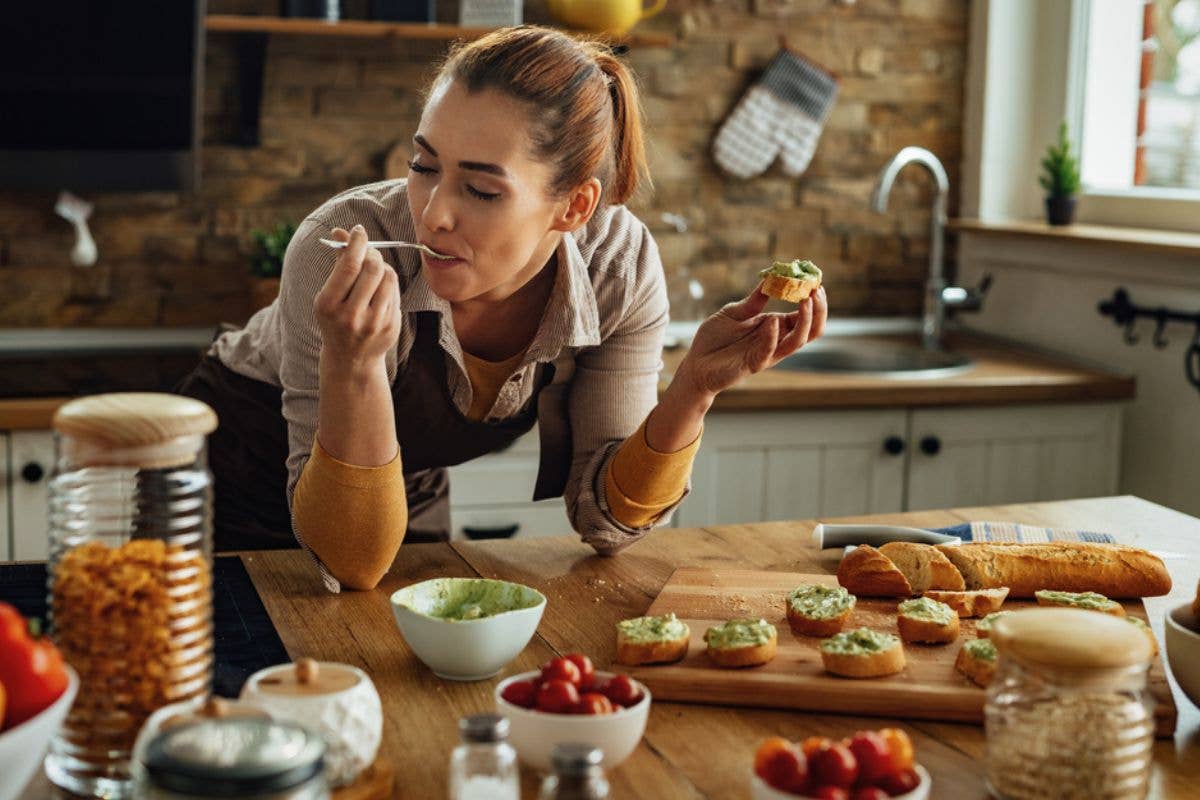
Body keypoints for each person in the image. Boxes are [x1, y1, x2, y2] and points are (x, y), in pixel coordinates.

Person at [178, 26, 828, 592]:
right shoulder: (348, 245)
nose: (433, 215)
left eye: (482, 189)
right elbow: (348, 562)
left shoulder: (617, 269)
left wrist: (691, 390)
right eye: (423, 165)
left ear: (574, 207)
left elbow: (607, 524)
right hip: (242, 470)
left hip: (401, 480)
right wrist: (352, 366)